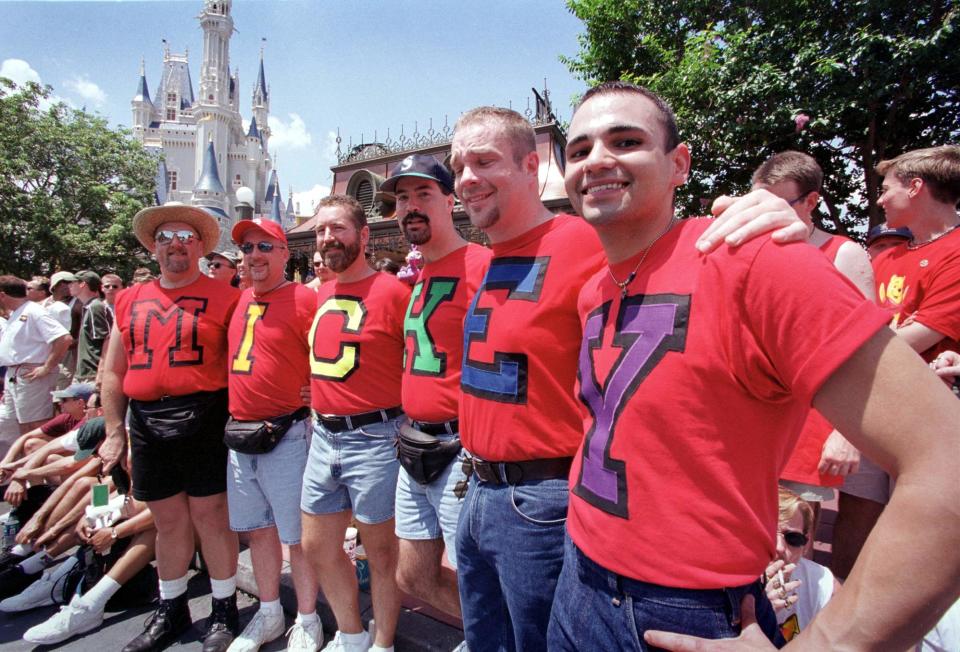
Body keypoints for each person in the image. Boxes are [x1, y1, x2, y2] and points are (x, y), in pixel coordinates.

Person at [546, 81, 960, 651]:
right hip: (578, 575)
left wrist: (827, 645)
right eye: (579, 149)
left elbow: (948, 461)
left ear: (678, 164)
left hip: (689, 609)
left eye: (626, 140)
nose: (598, 161)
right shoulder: (595, 287)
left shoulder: (751, 256)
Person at [449, 105, 808, 652]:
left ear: (531, 166)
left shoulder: (587, 242)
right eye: (458, 166)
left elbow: (668, 252)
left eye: (484, 160)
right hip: (499, 499)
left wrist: (760, 218)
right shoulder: (484, 258)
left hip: (562, 511)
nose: (467, 178)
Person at [99, 201, 242, 652]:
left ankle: (223, 607)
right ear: (152, 248)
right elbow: (112, 372)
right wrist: (114, 431)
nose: (176, 244)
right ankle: (171, 607)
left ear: (200, 245)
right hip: (145, 420)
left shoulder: (229, 297)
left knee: (211, 518)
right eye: (165, 236)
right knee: (167, 521)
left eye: (185, 236)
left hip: (206, 415)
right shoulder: (128, 299)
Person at [833, 145, 960, 580]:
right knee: (853, 535)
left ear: (916, 187)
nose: (881, 199)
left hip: (925, 420)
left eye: (887, 189)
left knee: (916, 553)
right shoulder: (885, 255)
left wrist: (838, 350)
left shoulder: (957, 253)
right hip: (868, 407)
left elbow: (915, 338)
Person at [380, 154, 489, 623]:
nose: (410, 207)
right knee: (412, 576)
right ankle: (490, 636)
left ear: (451, 199)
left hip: (461, 447)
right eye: (402, 198)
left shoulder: (483, 265)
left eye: (423, 194)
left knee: (476, 574)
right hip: (415, 445)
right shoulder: (420, 275)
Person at [301, 195, 410, 652]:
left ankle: (382, 643)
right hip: (324, 436)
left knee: (382, 555)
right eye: (323, 230)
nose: (329, 237)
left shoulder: (393, 293)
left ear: (363, 235)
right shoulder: (318, 293)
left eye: (339, 228)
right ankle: (351, 633)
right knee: (317, 545)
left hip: (377, 437)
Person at [751, 152, 873, 529]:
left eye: (776, 204)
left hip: (808, 433)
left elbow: (867, 358)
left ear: (811, 201)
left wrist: (847, 433)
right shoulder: (753, 250)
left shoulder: (843, 254)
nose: (761, 213)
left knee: (791, 550)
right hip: (753, 429)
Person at [224, 217, 322, 652]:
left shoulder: (305, 299)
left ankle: (308, 618)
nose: (255, 256)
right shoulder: (240, 300)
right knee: (257, 531)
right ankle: (268, 613)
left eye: (265, 247)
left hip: (286, 432)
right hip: (241, 435)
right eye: (247, 248)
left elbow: (336, 356)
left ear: (285, 252)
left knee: (297, 535)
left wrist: (317, 390)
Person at [0, 276, 73, 448]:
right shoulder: (16, 314)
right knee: (15, 425)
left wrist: (47, 367)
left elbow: (64, 338)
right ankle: (17, 470)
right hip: (15, 375)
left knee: (35, 427)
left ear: (3, 295)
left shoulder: (34, 311)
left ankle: (37, 470)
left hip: (30, 373)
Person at [763, 488, 840, 643]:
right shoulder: (725, 582)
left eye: (793, 538)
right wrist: (760, 612)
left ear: (806, 544)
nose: (779, 547)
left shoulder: (821, 583)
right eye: (768, 533)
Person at [73, 270, 112, 383]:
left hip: (92, 375)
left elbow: (107, 340)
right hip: (84, 374)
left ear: (82, 284)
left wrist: (100, 373)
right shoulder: (88, 306)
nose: (69, 286)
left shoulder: (95, 307)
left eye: (72, 283)